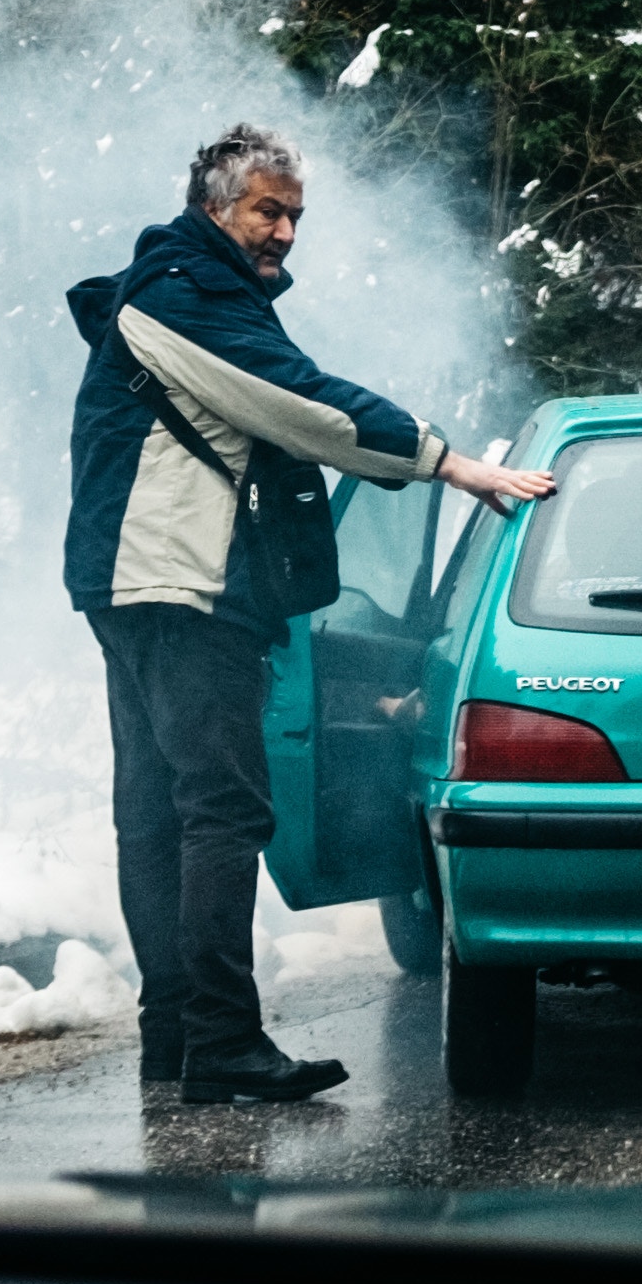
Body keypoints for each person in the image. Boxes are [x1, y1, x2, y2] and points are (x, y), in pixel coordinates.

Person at [61, 124, 555, 1105]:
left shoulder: (185, 293)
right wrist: (444, 459)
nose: (284, 231)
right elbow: (300, 404)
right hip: (181, 589)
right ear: (215, 207)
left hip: (138, 587)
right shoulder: (184, 296)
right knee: (220, 812)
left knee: (159, 818)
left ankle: (184, 1043)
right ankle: (224, 1042)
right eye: (266, 210)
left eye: (293, 214)